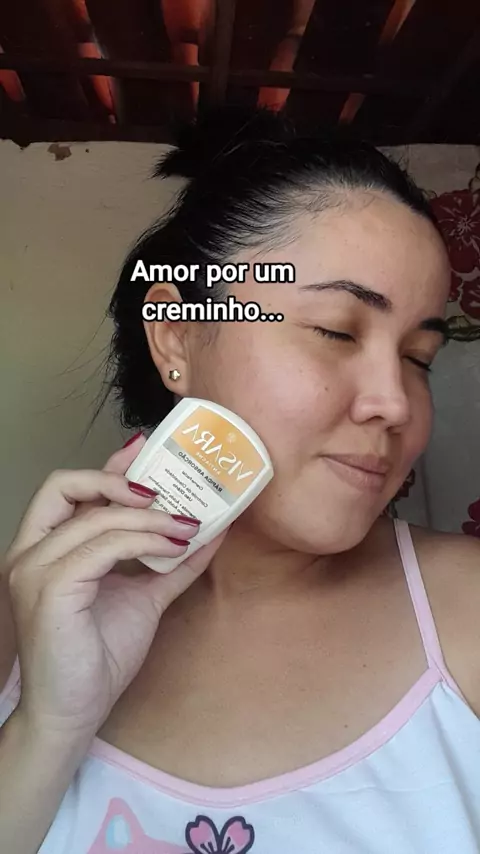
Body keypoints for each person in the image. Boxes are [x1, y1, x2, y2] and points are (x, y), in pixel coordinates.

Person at [1, 105, 479, 854]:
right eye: (335, 330)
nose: (395, 404)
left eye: (419, 358)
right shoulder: (28, 619)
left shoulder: (467, 611)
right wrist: (49, 726)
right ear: (177, 337)